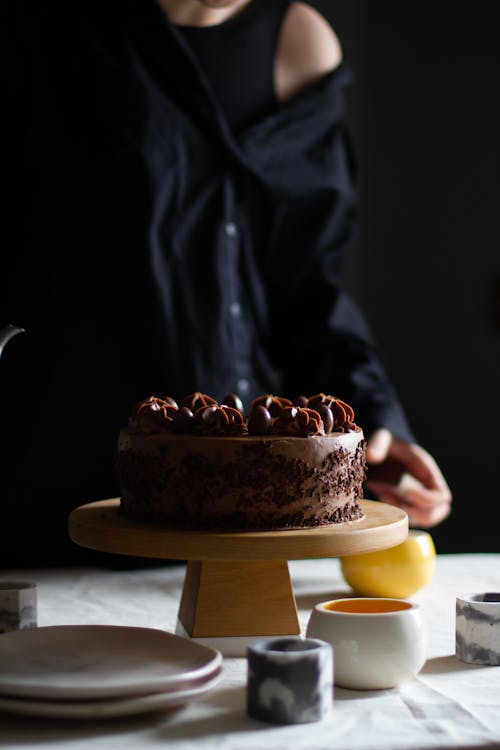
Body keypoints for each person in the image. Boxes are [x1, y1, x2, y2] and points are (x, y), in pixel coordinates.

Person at [1, 0, 451, 567]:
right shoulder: (44, 33)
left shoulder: (301, 44)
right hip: (59, 473)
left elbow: (307, 286)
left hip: (251, 501)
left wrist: (372, 418)